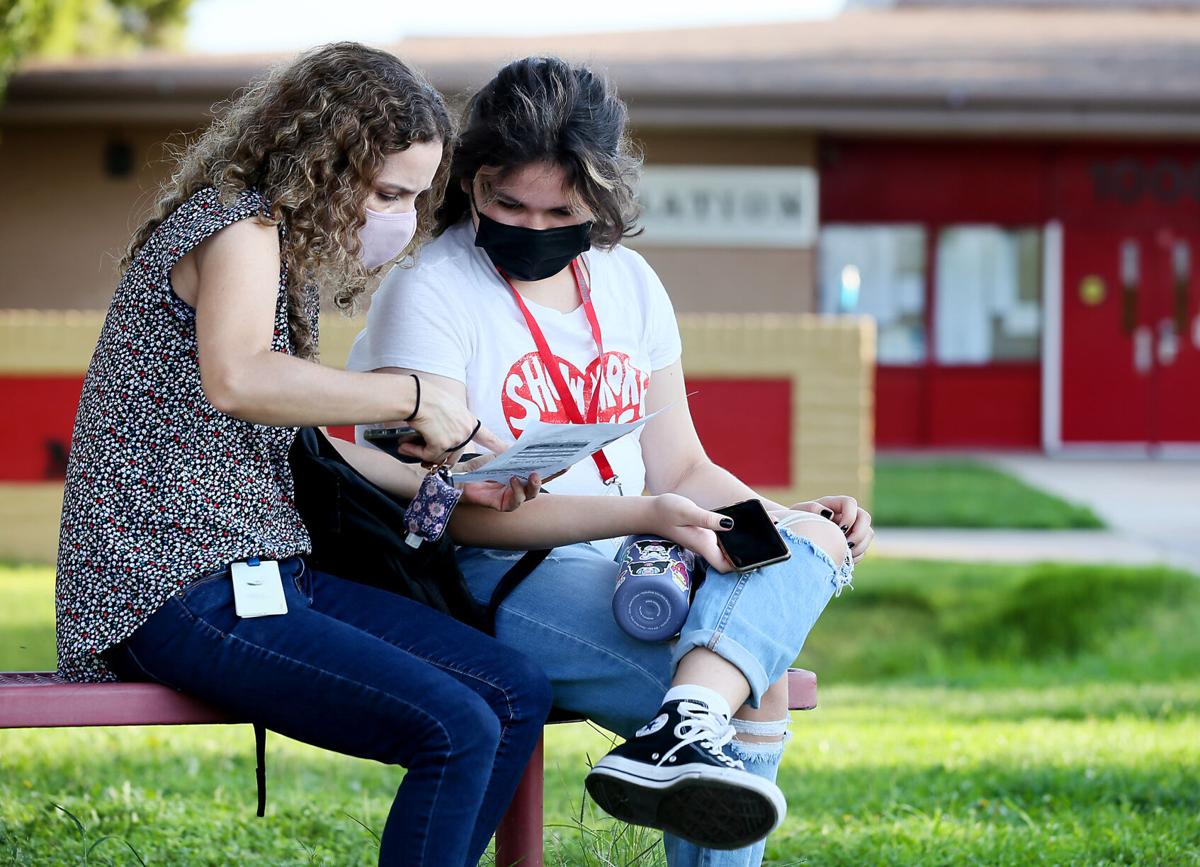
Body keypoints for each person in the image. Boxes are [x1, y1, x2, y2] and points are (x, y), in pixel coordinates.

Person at [52, 43, 661, 867]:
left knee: (513, 692)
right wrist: (413, 394)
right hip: (172, 585)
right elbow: (238, 379)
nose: (399, 218)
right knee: (456, 725)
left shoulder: (277, 254)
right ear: (323, 162)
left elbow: (304, 444)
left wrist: (453, 487)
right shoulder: (239, 225)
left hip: (265, 574)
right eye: (385, 192)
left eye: (414, 196)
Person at [346, 57, 876, 859]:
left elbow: (683, 468)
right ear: (470, 182)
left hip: (642, 553)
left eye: (559, 209)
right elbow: (450, 512)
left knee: (814, 541)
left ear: (601, 198)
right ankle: (690, 716)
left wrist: (782, 516)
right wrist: (650, 514)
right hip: (497, 570)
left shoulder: (629, 282)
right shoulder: (431, 289)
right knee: (744, 681)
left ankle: (683, 722)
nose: (528, 227)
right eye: (505, 201)